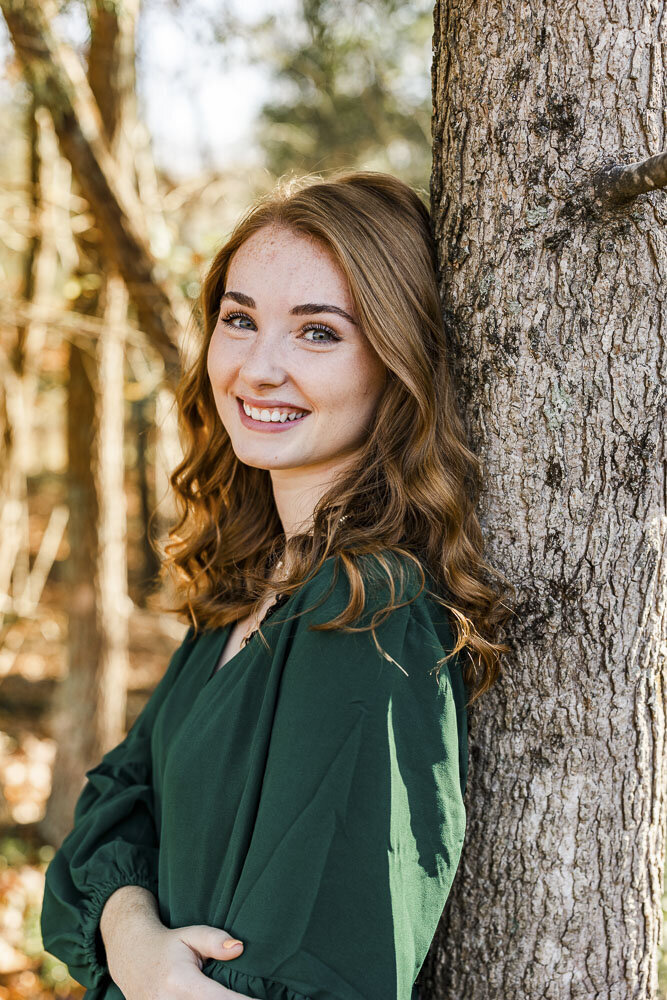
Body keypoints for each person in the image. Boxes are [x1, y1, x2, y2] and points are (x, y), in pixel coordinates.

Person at [40, 169, 511, 1000]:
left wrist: (157, 977)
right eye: (240, 320)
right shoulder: (251, 590)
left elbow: (313, 973)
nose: (259, 368)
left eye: (318, 333)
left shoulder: (367, 611)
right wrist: (134, 937)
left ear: (395, 359)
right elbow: (119, 797)